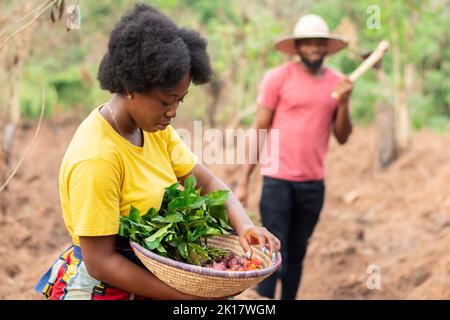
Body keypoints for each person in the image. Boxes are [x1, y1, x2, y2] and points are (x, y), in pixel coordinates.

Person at [35, 4, 280, 300]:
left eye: (180, 100)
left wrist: (245, 226)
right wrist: (187, 297)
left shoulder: (155, 130)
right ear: (130, 86)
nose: (173, 112)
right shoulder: (97, 157)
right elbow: (100, 262)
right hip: (105, 288)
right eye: (166, 101)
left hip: (152, 278)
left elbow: (208, 184)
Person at [235, 14, 353, 300]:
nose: (313, 48)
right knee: (273, 251)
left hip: (313, 183)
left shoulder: (339, 84)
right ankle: (263, 302)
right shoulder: (277, 78)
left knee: (298, 253)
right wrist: (243, 180)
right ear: (297, 47)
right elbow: (259, 129)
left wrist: (345, 103)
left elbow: (342, 136)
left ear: (326, 47)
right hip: (277, 180)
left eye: (319, 43)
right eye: (307, 43)